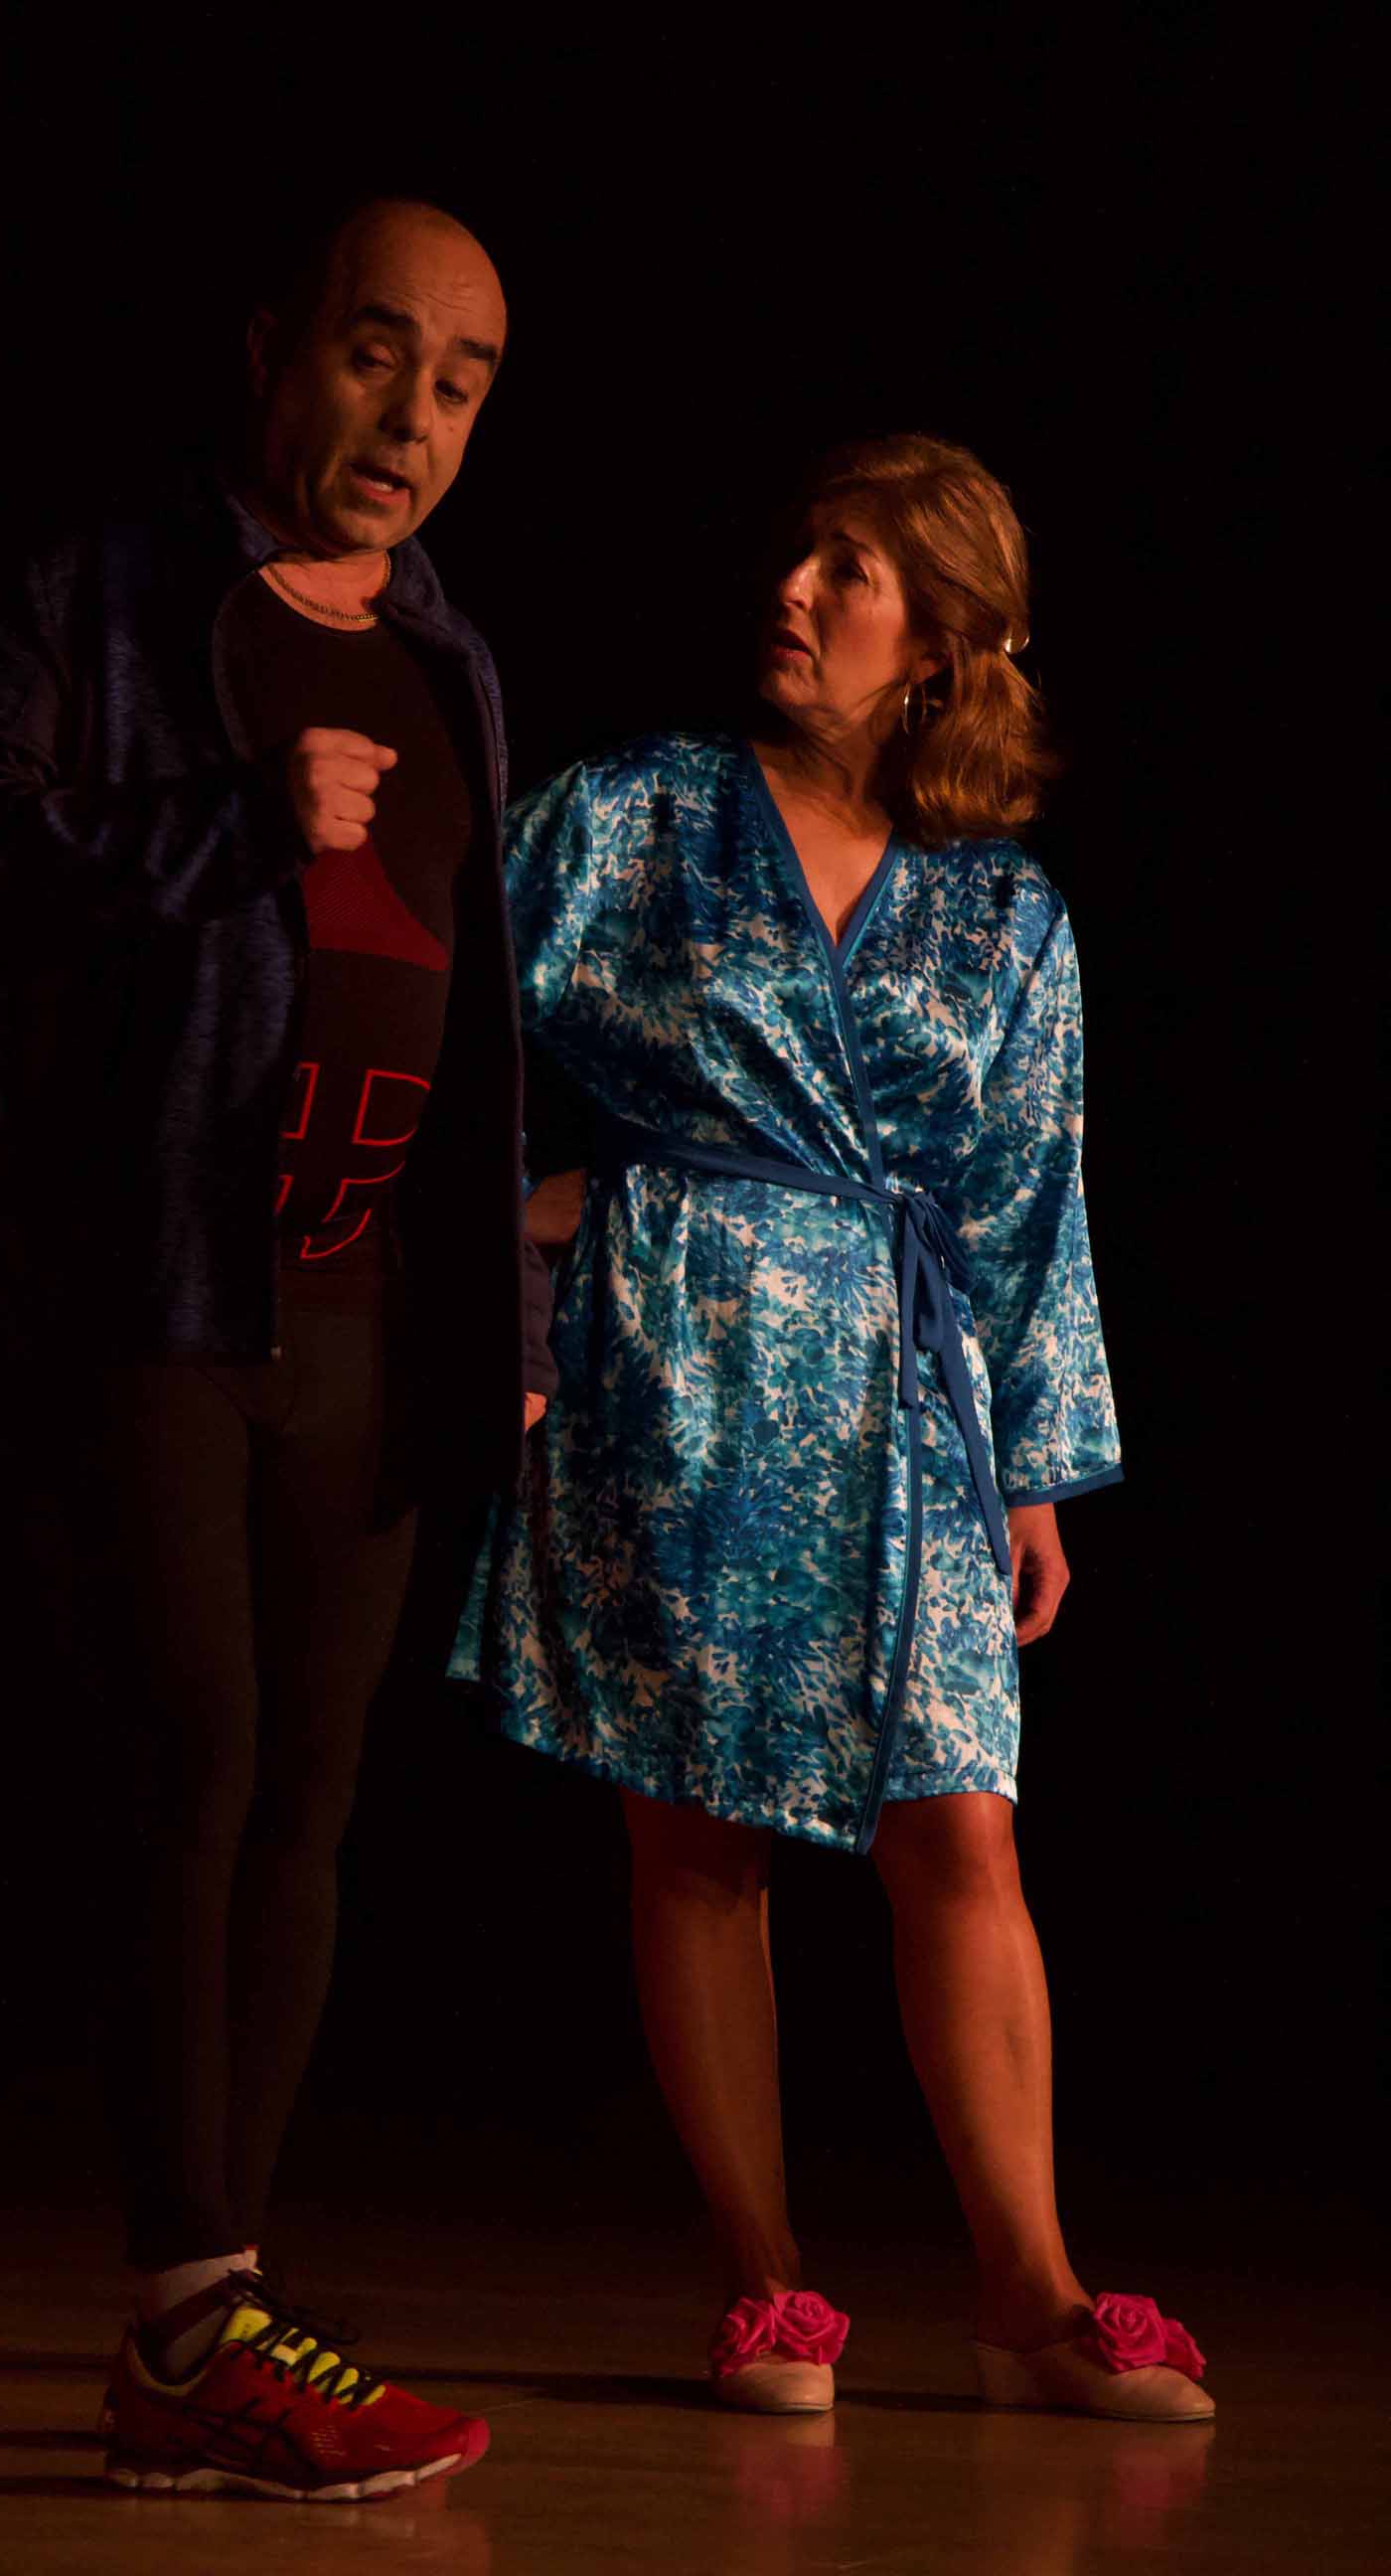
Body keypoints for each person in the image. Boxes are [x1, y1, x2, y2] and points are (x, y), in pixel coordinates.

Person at [0, 194, 553, 2501]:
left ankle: (217, 2306)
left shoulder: (453, 657)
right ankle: (191, 2321)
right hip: (154, 1289)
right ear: (277, 349)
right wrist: (222, 831)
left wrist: (509, 1309)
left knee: (305, 1794)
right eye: (379, 355)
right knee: (193, 1754)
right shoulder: (104, 598)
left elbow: (474, 1010)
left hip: (367, 1313)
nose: (414, 417)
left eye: (462, 382)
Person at [457, 433, 1213, 2425]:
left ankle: (1031, 2292)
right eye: (798, 553)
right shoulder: (630, 817)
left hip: (909, 1401)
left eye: (852, 571)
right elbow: (447, 1031)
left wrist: (1037, 1469)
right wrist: (520, 1244)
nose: (793, 590)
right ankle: (765, 2282)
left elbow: (1030, 1200)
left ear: (941, 642)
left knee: (960, 1827)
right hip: (677, 1364)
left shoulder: (1003, 910)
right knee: (696, 1837)